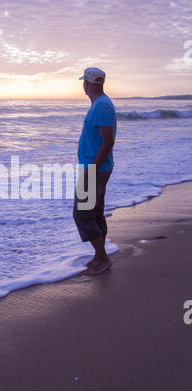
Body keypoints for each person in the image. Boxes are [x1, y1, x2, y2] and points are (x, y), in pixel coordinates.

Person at [73, 67, 117, 275]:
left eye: (84, 82)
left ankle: (102, 257)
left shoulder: (100, 106)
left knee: (82, 214)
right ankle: (100, 255)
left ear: (87, 84)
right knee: (95, 212)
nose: (84, 85)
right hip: (97, 168)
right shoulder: (101, 104)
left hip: (95, 169)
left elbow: (108, 141)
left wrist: (92, 168)